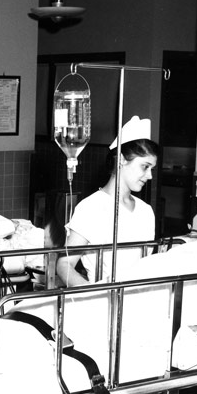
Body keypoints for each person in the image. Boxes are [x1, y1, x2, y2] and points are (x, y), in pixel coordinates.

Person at [56, 115, 158, 286]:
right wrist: (91, 294)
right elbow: (64, 264)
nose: (150, 176)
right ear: (121, 160)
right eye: (145, 167)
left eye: (152, 169)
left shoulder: (145, 211)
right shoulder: (92, 207)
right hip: (103, 301)